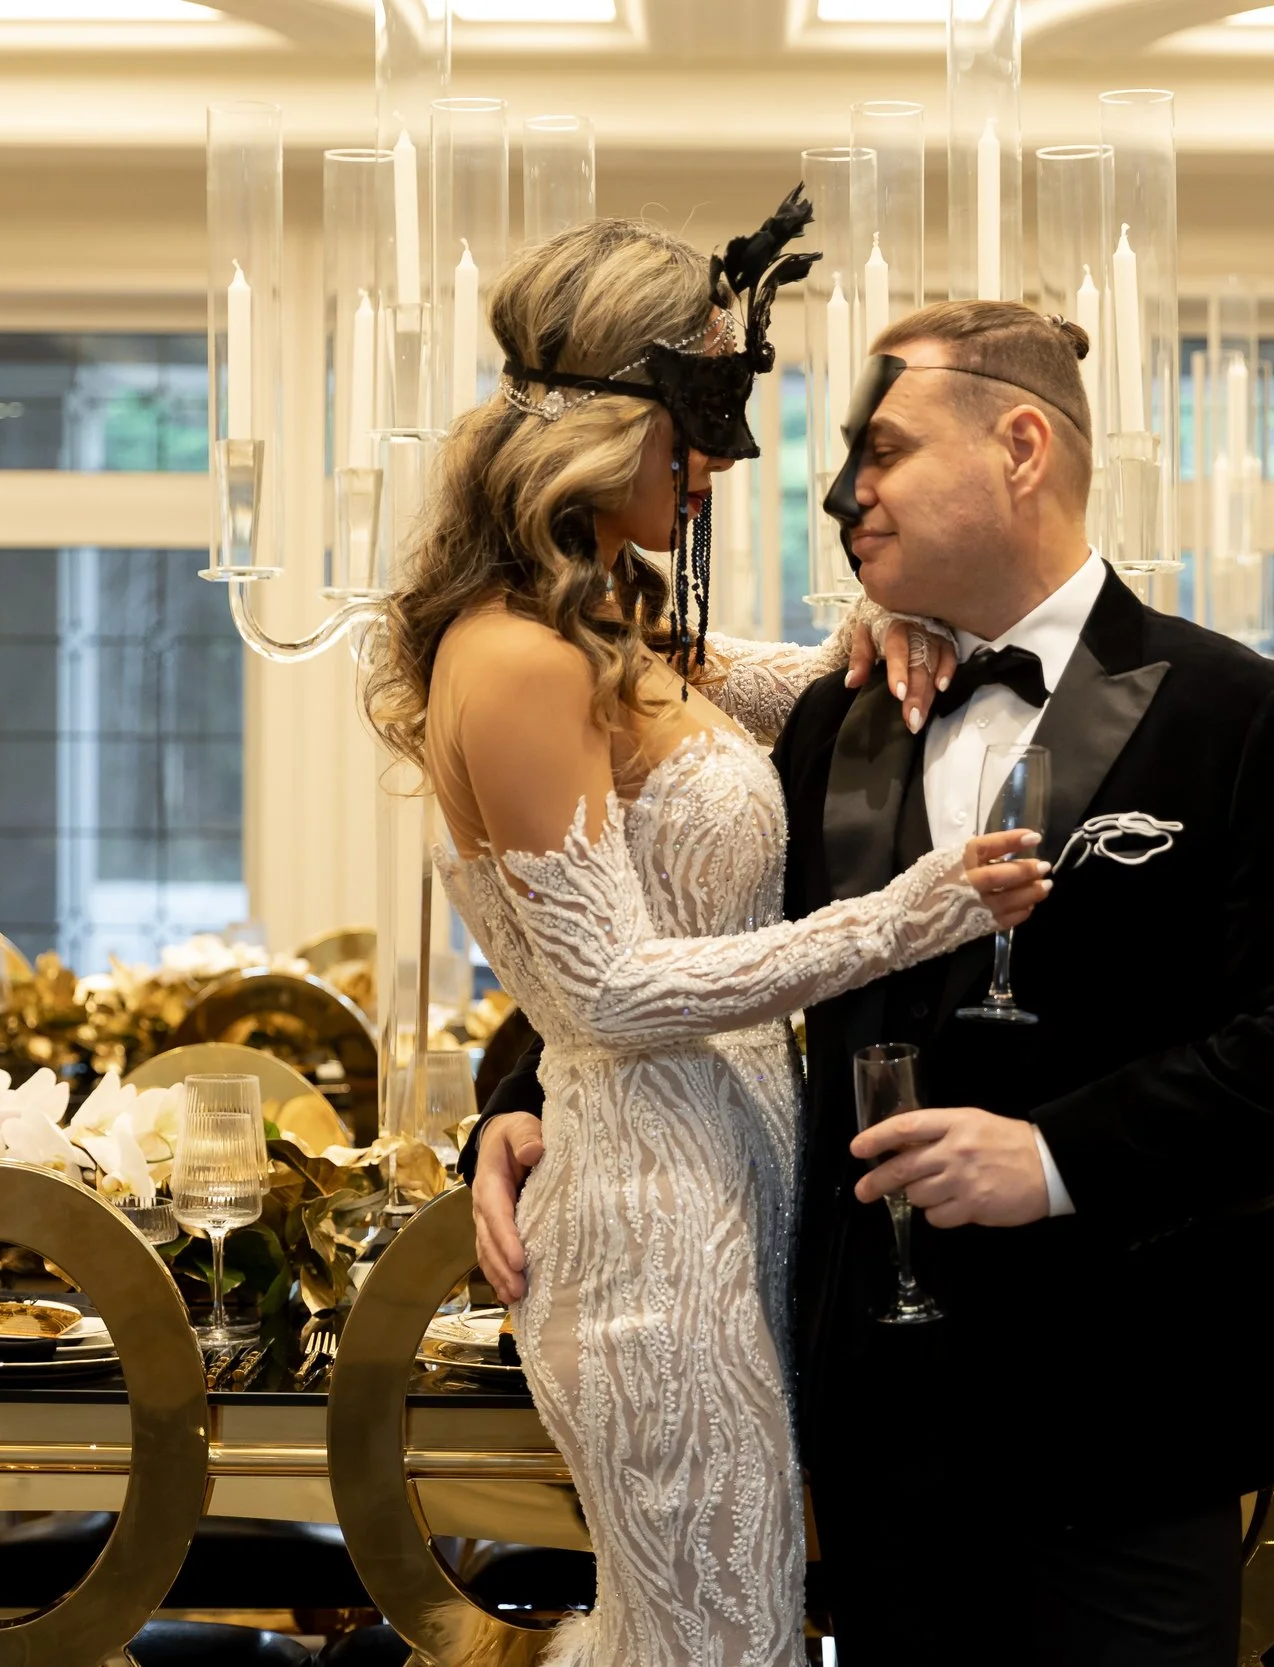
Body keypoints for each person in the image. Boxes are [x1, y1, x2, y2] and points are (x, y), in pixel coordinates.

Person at [467, 300, 1274, 1665]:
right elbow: (662, 932)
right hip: (874, 1413)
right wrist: (516, 1102)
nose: (845, 493)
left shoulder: (1245, 716)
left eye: (884, 451)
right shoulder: (835, 716)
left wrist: (1055, 1156)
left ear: (1021, 446)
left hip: (1132, 1410)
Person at [362, 201, 1055, 1667]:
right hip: (648, 1239)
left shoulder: (604, 629)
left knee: (725, 1635)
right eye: (703, 422)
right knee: (719, 1646)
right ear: (611, 424)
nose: (725, 464)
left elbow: (778, 698)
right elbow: (606, 992)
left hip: (735, 1194)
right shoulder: (513, 657)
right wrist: (907, 915)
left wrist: (884, 633)